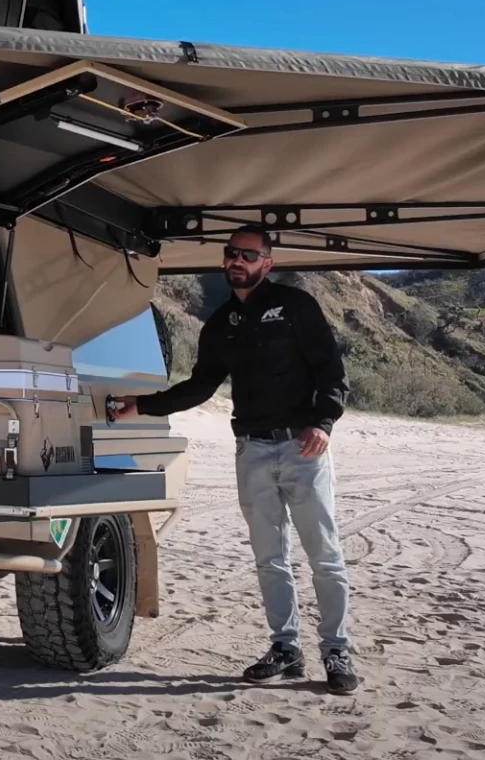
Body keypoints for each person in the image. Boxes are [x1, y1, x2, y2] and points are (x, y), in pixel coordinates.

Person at [112, 225, 358, 694]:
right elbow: (201, 386)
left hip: (302, 448)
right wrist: (140, 405)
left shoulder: (296, 307)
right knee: (270, 559)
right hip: (252, 451)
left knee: (324, 557)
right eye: (231, 254)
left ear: (268, 262)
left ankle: (336, 650)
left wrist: (323, 424)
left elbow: (332, 371)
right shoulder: (221, 323)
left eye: (248, 254)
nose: (237, 261)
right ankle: (286, 647)